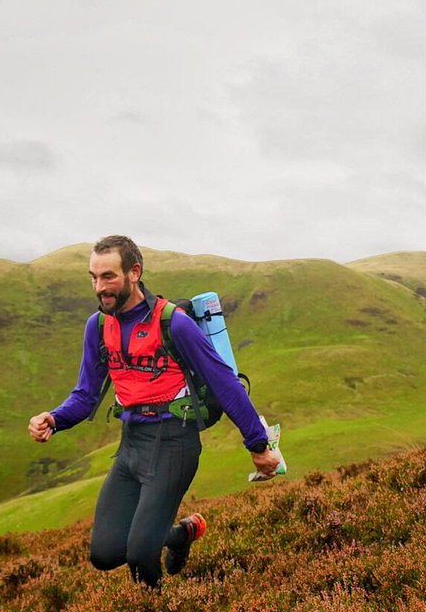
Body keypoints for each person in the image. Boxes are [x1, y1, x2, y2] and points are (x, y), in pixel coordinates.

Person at [28, 235, 279, 588]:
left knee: (141, 556)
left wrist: (258, 444)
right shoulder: (98, 327)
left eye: (108, 277)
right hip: (132, 444)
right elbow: (85, 395)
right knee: (105, 554)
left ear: (134, 273)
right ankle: (181, 534)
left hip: (174, 443)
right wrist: (55, 419)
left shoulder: (173, 323)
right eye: (94, 277)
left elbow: (224, 382)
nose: (99, 287)